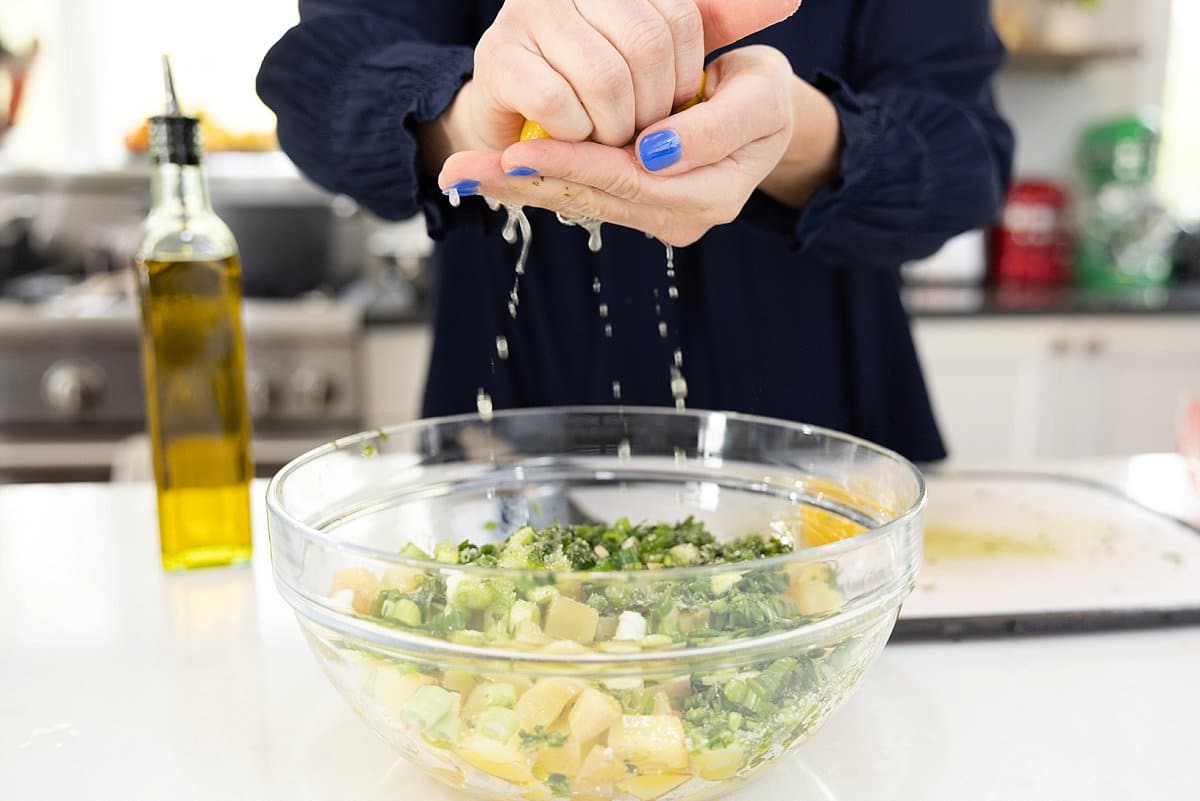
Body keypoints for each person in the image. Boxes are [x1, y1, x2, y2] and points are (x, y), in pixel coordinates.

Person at [257, 0, 1014, 463]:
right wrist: (478, 110)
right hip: (511, 438)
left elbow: (966, 158)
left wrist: (790, 132)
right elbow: (319, 77)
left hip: (823, 448)